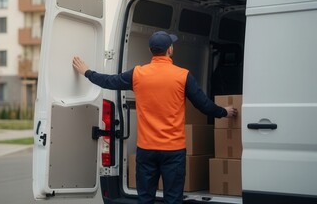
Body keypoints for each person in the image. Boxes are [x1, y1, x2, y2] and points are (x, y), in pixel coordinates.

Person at [72, 31, 237, 204]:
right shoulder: (182, 75)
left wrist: (87, 72)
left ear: (152, 51)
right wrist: (224, 112)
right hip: (173, 151)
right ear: (170, 50)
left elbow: (109, 81)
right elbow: (203, 105)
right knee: (173, 200)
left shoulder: (137, 74)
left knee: (145, 199)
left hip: (146, 150)